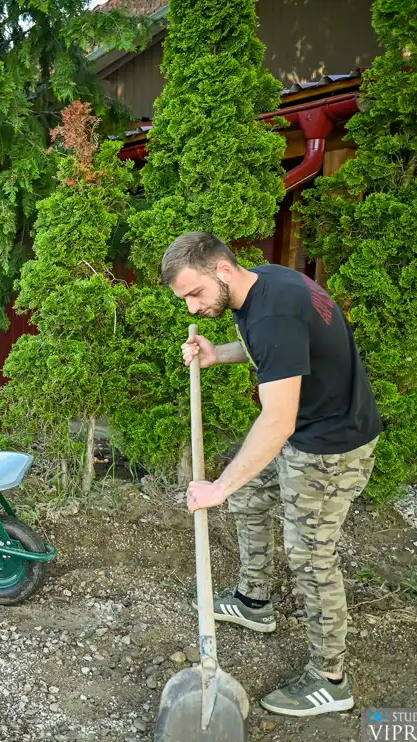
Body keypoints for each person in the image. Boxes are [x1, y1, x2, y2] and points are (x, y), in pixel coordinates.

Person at [162, 231, 382, 717]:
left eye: (194, 293)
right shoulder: (265, 285)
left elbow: (277, 420)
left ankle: (330, 680)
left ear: (221, 269)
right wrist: (220, 352)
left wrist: (217, 487)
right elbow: (273, 348)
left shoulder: (272, 313)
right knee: (249, 495)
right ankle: (254, 600)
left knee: (310, 555)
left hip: (331, 445)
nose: (193, 309)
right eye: (185, 300)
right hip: (308, 428)